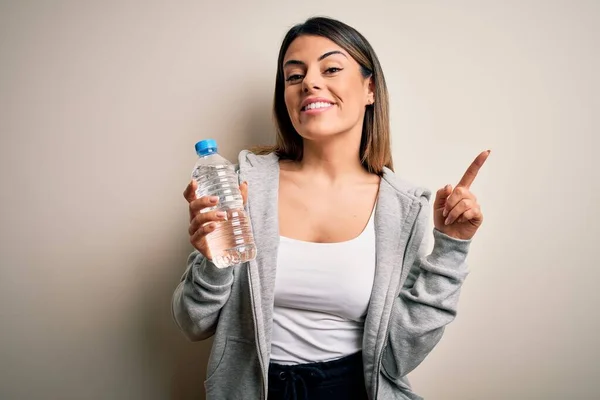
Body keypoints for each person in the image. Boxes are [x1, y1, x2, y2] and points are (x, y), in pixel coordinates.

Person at [172, 16, 489, 400]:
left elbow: (399, 356)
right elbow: (194, 322)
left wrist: (452, 245)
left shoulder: (403, 209)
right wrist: (212, 260)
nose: (309, 82)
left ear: (370, 88)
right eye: (293, 76)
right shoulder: (243, 186)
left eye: (332, 68)